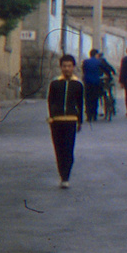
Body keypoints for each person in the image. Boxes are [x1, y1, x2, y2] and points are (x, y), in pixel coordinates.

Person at [47, 54, 84, 188]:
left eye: (69, 66)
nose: (67, 69)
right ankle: (62, 174)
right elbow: (50, 101)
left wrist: (80, 121)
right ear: (61, 67)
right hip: (57, 121)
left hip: (71, 120)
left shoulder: (78, 84)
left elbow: (80, 103)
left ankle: (66, 176)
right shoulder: (55, 84)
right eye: (64, 66)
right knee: (59, 149)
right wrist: (51, 116)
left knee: (68, 149)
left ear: (73, 67)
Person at [81, 49, 116, 122]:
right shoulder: (99, 62)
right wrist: (109, 76)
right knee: (95, 98)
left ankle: (88, 115)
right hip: (96, 82)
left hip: (87, 82)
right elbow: (106, 70)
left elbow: (84, 70)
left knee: (88, 99)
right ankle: (94, 115)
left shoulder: (85, 62)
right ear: (96, 54)